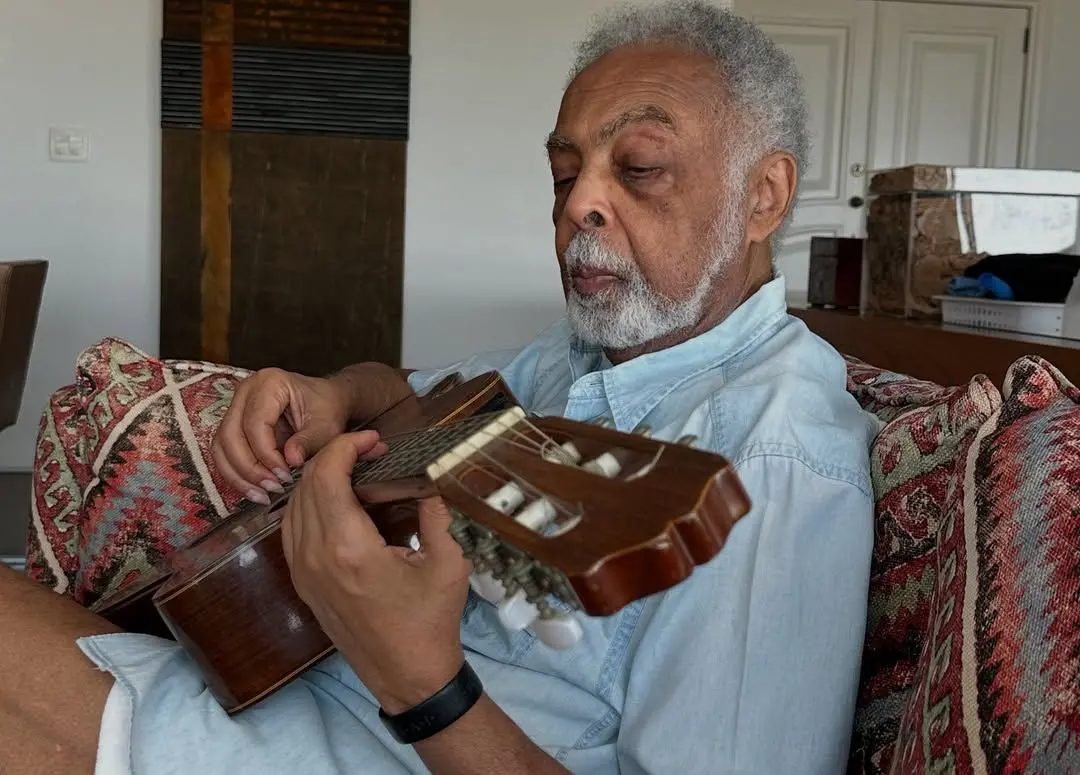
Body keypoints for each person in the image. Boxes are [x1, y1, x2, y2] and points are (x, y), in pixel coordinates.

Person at [0, 2, 880, 773]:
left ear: (763, 196)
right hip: (284, 693)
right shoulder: (590, 356)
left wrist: (423, 682)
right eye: (564, 172)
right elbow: (408, 394)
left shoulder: (772, 462)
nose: (578, 205)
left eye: (638, 166)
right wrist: (334, 394)